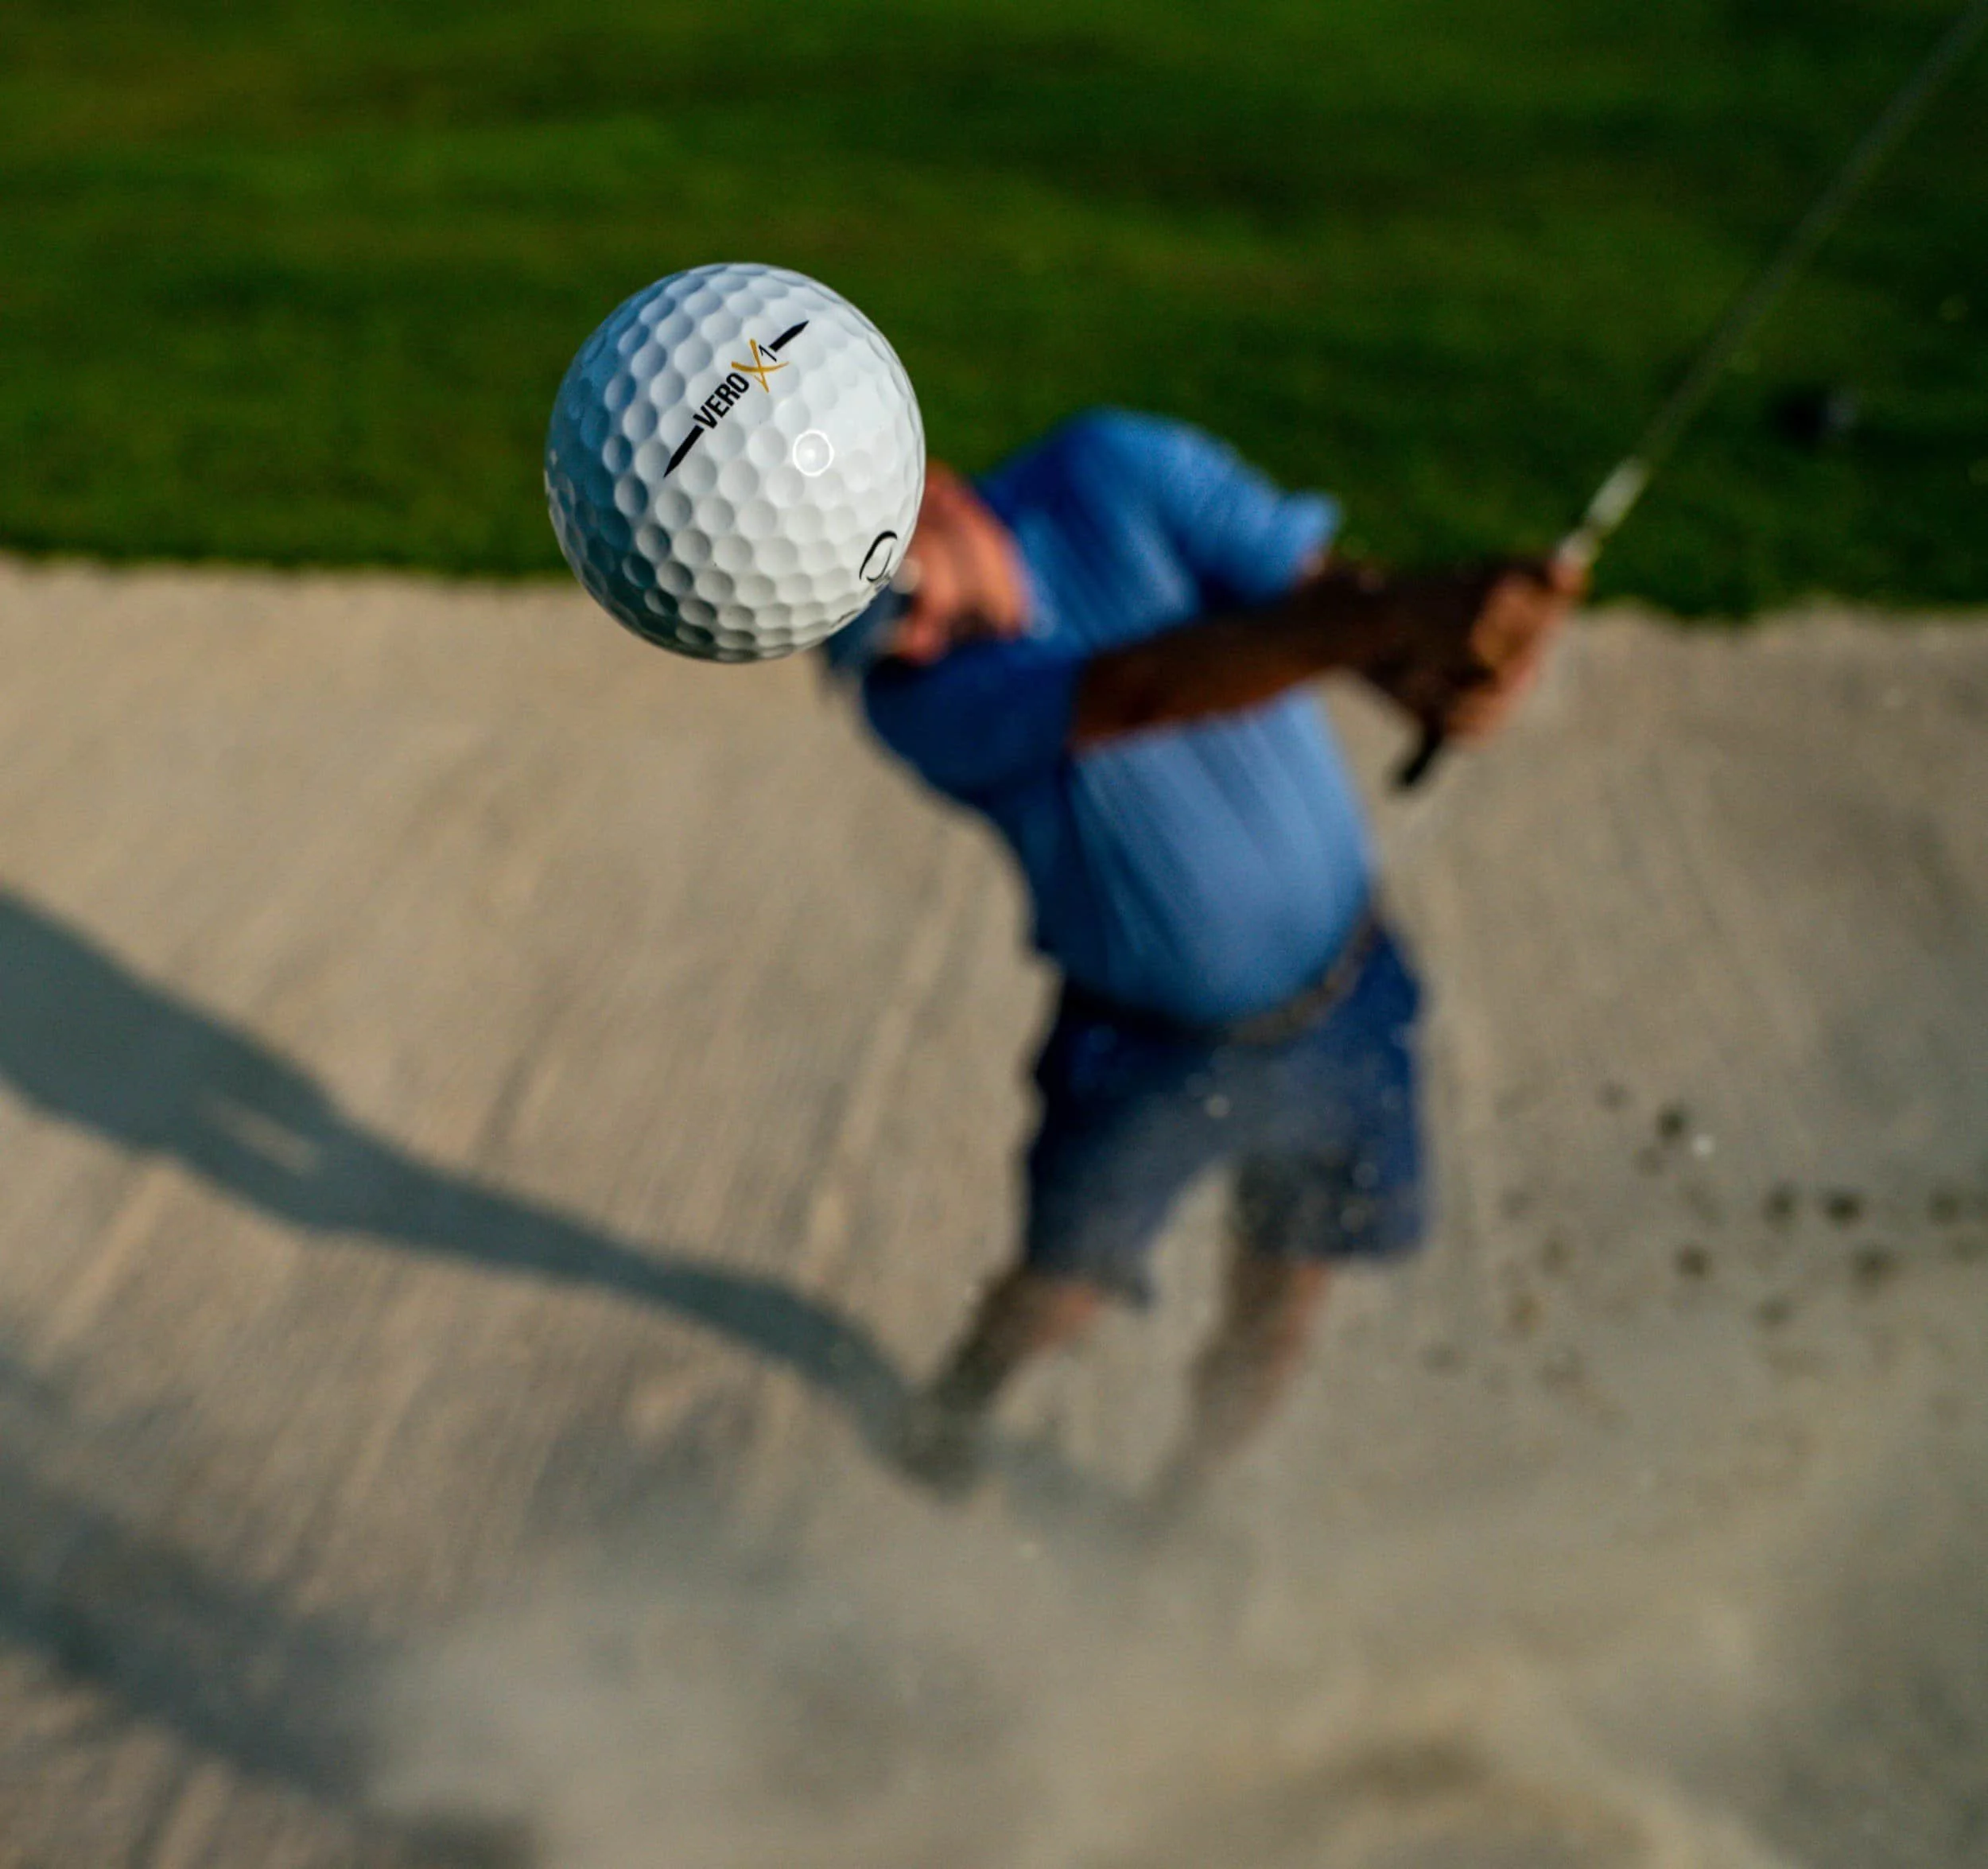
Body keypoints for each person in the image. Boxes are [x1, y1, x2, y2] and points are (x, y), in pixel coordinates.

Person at [823, 410, 1577, 1513]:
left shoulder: (1114, 467)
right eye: (875, 643)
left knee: (1282, 1303)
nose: (912, 644)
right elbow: (1144, 688)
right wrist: (1397, 621)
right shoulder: (917, 705)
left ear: (923, 486)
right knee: (1063, 1288)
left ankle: (1186, 1500)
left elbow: (1321, 605)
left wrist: (1441, 668)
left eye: (893, 604)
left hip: (1345, 997)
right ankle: (958, 1406)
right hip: (1143, 1046)